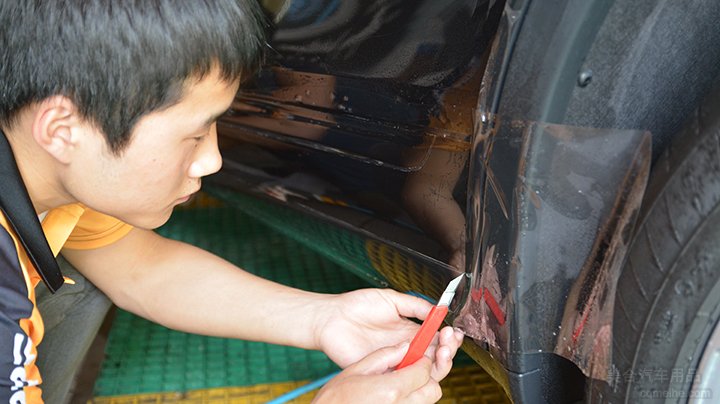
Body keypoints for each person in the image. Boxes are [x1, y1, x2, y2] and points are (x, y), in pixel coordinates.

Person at [0, 1, 463, 403]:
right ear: (62, 129)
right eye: (196, 134)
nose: (213, 160)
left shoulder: (49, 174)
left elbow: (140, 268)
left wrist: (326, 318)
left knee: (82, 270)